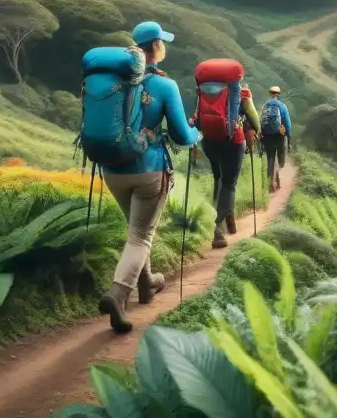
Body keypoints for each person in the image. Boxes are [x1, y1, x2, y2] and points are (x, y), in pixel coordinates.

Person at [97, 21, 200, 334]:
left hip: (112, 169)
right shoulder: (165, 86)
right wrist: (197, 132)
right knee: (140, 235)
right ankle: (118, 293)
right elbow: (183, 136)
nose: (164, 46)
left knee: (135, 230)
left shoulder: (110, 79)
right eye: (163, 42)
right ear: (155, 46)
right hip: (149, 169)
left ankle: (146, 285)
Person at [193, 75, 261, 249]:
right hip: (232, 141)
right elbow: (255, 121)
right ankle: (217, 226)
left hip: (209, 141)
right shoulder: (243, 94)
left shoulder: (204, 91)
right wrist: (255, 128)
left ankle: (228, 220)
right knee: (229, 183)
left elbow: (198, 118)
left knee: (219, 178)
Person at [260, 86, 292, 193]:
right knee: (280, 156)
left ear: (270, 93)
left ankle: (270, 183)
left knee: (270, 157)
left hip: (267, 134)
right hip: (279, 134)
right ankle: (277, 178)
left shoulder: (265, 105)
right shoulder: (281, 105)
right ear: (278, 94)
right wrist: (288, 134)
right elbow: (287, 122)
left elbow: (261, 120)